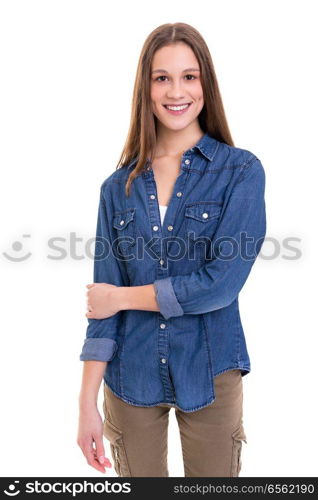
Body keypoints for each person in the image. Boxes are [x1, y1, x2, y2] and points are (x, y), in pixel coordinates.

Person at [77, 22, 266, 477]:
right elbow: (101, 309)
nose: (175, 91)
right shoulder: (116, 188)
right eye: (162, 77)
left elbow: (218, 286)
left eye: (189, 76)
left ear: (206, 84)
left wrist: (122, 297)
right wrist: (86, 404)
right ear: (146, 87)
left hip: (212, 371)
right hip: (129, 377)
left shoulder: (240, 172)